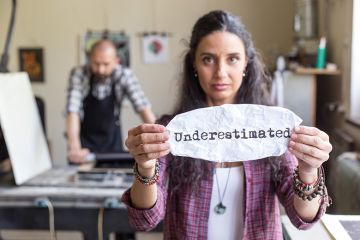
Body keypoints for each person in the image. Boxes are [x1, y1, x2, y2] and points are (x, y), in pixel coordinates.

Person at [122, 10, 332, 239]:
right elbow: (145, 219)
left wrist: (309, 169)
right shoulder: (170, 131)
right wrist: (145, 167)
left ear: (246, 64)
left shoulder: (273, 128)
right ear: (194, 64)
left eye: (232, 59)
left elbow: (303, 218)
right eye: (208, 59)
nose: (220, 72)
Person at [66, 39, 155, 164]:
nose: (101, 69)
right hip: (84, 146)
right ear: (90, 59)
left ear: (116, 61)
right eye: (96, 63)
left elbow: (142, 107)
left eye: (106, 64)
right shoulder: (79, 74)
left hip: (113, 145)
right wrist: (75, 149)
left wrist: (158, 140)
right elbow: (72, 111)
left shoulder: (124, 75)